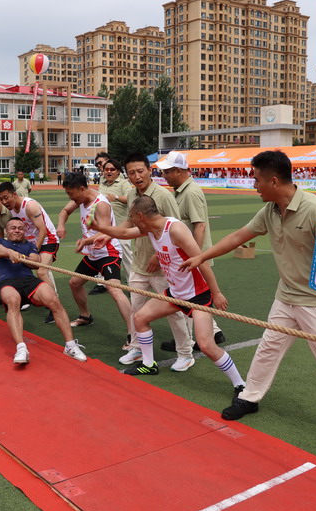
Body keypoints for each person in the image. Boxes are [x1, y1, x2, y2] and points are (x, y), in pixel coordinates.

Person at [179, 149, 316, 437]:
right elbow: (239, 236)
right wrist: (202, 257)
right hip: (286, 296)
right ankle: (250, 397)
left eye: (256, 180)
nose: (253, 185)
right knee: (268, 347)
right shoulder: (270, 210)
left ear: (274, 181)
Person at [92, 197, 244, 398]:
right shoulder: (150, 229)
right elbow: (125, 233)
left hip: (197, 295)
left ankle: (241, 385)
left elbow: (202, 261)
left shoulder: (175, 229)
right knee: (140, 318)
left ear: (140, 216)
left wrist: (216, 292)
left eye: (132, 217)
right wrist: (99, 228)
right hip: (174, 293)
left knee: (207, 345)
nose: (130, 221)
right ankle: (149, 364)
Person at [102, 153, 195, 365]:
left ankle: (185, 353)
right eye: (131, 173)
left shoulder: (163, 195)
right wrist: (106, 235)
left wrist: (157, 255)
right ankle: (137, 347)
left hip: (163, 267)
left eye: (140, 171)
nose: (136, 176)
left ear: (149, 171)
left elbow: (176, 227)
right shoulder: (132, 195)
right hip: (139, 264)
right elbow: (128, 223)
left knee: (174, 312)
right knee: (136, 308)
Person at [0, 218, 88, 364]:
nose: (17, 230)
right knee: (13, 300)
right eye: (13, 228)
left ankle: (70, 345)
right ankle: (21, 348)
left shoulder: (30, 245)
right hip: (7, 282)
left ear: (24, 231)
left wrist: (22, 257)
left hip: (29, 281)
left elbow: (36, 262)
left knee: (54, 300)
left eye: (20, 228)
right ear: (6, 230)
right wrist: (10, 252)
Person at [156, 151, 226, 351]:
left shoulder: (191, 192)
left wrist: (196, 258)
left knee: (190, 299)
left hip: (192, 257)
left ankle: (189, 339)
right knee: (192, 298)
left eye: (167, 172)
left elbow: (200, 226)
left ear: (178, 171)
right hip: (189, 257)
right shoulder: (182, 191)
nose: (164, 176)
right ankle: (212, 333)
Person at [57, 172, 132, 337]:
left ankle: (132, 333)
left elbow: (105, 233)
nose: (70, 198)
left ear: (82, 189)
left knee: (114, 289)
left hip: (108, 252)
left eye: (71, 194)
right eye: (68, 194)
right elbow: (64, 211)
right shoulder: (80, 199)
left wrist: (85, 241)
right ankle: (85, 316)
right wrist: (61, 225)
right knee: (74, 283)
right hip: (93, 253)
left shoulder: (100, 205)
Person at [0, 181, 60, 324]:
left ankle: (54, 304)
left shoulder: (30, 206)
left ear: (14, 194)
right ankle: (25, 296)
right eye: (1, 199)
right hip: (31, 243)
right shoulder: (13, 209)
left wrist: (34, 251)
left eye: (6, 198)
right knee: (24, 267)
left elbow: (42, 230)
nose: (4, 202)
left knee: (41, 271)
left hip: (48, 240)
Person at [96, 157, 133, 290]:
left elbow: (130, 198)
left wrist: (116, 197)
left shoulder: (123, 183)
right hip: (105, 227)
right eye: (106, 169)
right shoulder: (102, 183)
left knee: (126, 256)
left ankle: (132, 284)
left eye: (112, 169)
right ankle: (102, 282)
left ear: (118, 171)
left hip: (121, 226)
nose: (109, 172)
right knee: (102, 253)